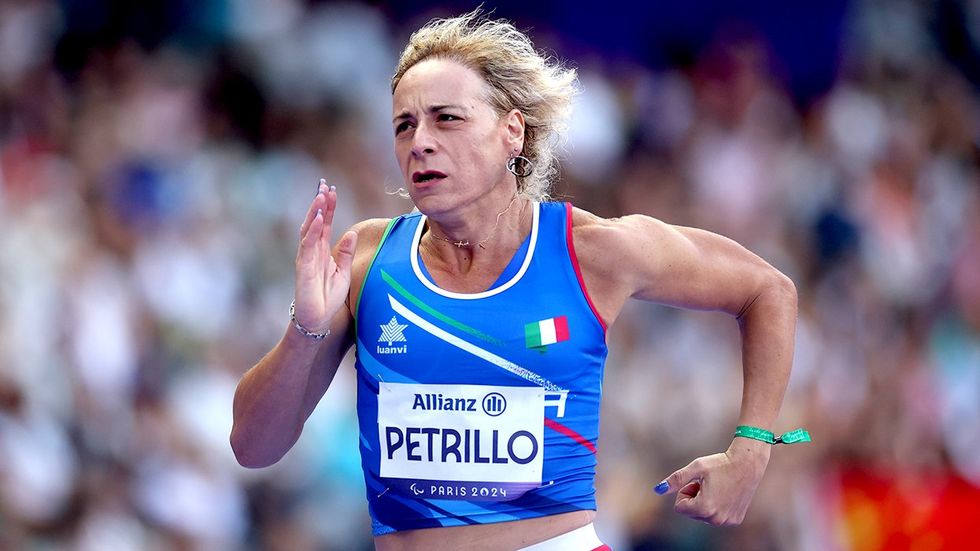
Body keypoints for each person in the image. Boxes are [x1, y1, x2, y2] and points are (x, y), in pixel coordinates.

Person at [231, 9, 800, 550]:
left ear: (512, 132)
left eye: (446, 118)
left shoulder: (589, 250)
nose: (419, 141)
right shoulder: (369, 260)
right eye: (404, 125)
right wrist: (304, 331)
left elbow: (767, 289)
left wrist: (752, 448)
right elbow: (253, 448)